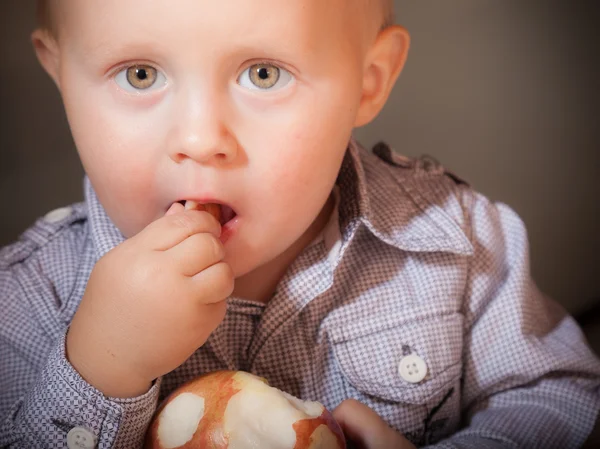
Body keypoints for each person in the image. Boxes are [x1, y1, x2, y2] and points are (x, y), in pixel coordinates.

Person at [1, 0, 599, 447]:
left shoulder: (455, 245)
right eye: (139, 75)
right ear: (62, 77)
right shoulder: (28, 298)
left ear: (370, 80)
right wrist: (101, 368)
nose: (198, 140)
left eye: (263, 73)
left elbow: (557, 395)